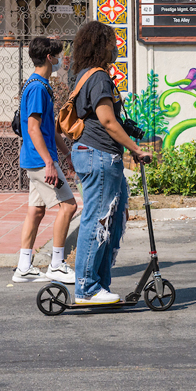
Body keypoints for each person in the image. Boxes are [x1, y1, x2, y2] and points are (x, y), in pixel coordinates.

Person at [69, 21, 152, 305]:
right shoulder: (99, 78)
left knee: (110, 222)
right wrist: (136, 150)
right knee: (98, 221)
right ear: (101, 45)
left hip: (98, 155)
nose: (117, 47)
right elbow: (106, 120)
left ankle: (99, 285)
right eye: (113, 42)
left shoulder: (88, 76)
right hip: (99, 154)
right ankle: (87, 288)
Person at [14, 37, 78, 283]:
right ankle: (58, 264)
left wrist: (67, 154)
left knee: (36, 211)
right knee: (69, 206)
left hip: (36, 160)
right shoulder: (38, 88)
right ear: (49, 58)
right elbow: (33, 128)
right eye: (58, 55)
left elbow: (50, 129)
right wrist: (50, 163)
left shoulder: (36, 84)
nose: (62, 59)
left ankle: (23, 267)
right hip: (42, 163)